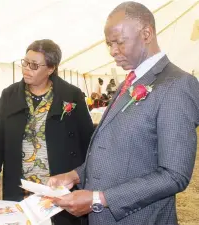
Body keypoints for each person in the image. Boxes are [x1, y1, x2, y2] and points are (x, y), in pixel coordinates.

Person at [47, 2, 199, 225]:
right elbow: (116, 150)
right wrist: (75, 175)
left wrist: (99, 198)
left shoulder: (177, 85)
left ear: (146, 33)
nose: (112, 51)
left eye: (119, 42)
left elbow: (174, 175)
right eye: (109, 44)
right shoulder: (129, 80)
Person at [0, 39, 93, 225]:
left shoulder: (71, 95)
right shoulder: (9, 95)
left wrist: (84, 180)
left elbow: (87, 139)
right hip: (20, 184)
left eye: (34, 65)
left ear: (51, 69)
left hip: (58, 187)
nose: (26, 68)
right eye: (25, 63)